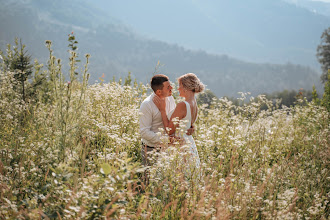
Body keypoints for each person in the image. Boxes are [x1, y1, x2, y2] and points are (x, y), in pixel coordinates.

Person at [139, 74, 194, 184]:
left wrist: (190, 126)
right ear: (159, 92)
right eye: (168, 87)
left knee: (165, 183)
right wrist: (166, 140)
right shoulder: (147, 105)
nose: (172, 88)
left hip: (168, 149)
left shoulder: (170, 99)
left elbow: (174, 120)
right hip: (151, 149)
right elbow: (144, 132)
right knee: (150, 183)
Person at [153, 73, 204, 173]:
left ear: (185, 87)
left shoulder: (182, 105)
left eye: (179, 86)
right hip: (189, 144)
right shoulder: (194, 103)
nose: (178, 89)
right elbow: (189, 123)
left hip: (179, 145)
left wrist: (162, 110)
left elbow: (169, 130)